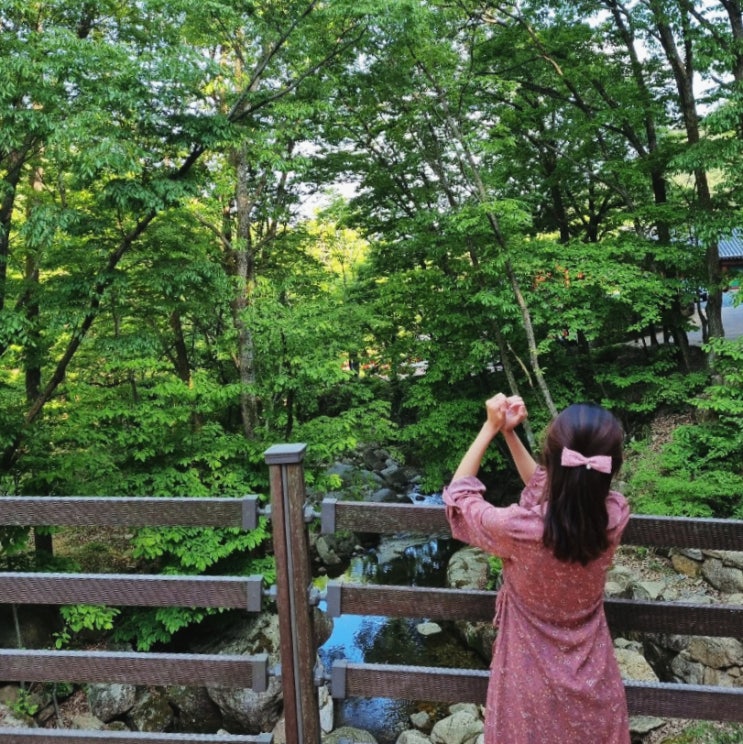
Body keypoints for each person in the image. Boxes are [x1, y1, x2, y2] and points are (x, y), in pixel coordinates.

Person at [443, 393, 631, 744]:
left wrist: (490, 427)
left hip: (528, 681)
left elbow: (460, 500)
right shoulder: (615, 516)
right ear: (611, 467)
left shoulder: (519, 529)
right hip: (594, 677)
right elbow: (563, 488)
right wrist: (511, 434)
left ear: (552, 461)